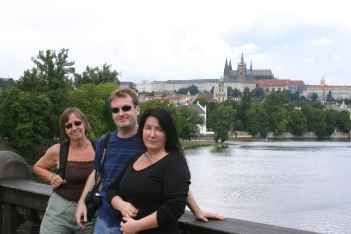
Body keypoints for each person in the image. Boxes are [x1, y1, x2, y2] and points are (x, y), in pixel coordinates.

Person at [75, 87, 225, 233]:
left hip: (133, 225)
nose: (121, 113)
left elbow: (175, 185)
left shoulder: (149, 144)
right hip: (104, 219)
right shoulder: (105, 141)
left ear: (137, 109)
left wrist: (196, 210)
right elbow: (97, 174)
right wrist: (82, 202)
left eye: (126, 108)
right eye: (115, 110)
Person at [106, 107, 191, 233]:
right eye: (148, 128)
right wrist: (121, 205)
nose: (152, 134)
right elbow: (112, 189)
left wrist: (137, 226)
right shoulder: (135, 159)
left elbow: (175, 207)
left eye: (159, 129)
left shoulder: (174, 163)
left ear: (168, 133)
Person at [34, 107, 96, 233]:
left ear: (84, 123)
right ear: (65, 130)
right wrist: (51, 177)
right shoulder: (58, 150)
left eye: (77, 123)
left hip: (90, 212)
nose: (74, 128)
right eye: (68, 126)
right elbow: (37, 167)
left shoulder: (99, 147)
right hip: (59, 213)